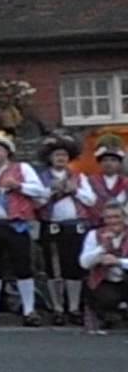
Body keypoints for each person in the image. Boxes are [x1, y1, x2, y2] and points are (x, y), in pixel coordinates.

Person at [0, 130, 47, 326]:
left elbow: (40, 191)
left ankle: (29, 310)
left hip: (16, 224)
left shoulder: (22, 168)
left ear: (7, 152)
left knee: (23, 267)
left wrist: (17, 185)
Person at [36, 132, 93, 325]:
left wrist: (74, 190)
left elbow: (91, 200)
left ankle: (74, 307)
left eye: (64, 155)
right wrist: (53, 191)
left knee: (73, 267)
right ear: (50, 158)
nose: (60, 158)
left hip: (74, 226)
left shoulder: (79, 177)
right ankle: (57, 308)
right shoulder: (42, 178)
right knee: (53, 268)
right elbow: (37, 202)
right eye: (56, 155)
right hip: (51, 226)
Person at [79, 202, 128, 333]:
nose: (113, 221)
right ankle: (105, 316)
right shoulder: (93, 235)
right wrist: (101, 248)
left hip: (125, 278)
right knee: (105, 298)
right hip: (104, 281)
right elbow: (84, 263)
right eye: (109, 218)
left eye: (116, 217)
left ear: (124, 218)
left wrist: (118, 262)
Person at [80, 134, 126, 226]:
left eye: (113, 160)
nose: (109, 163)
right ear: (100, 162)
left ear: (119, 163)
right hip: (95, 226)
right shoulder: (89, 181)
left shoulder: (125, 182)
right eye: (105, 160)